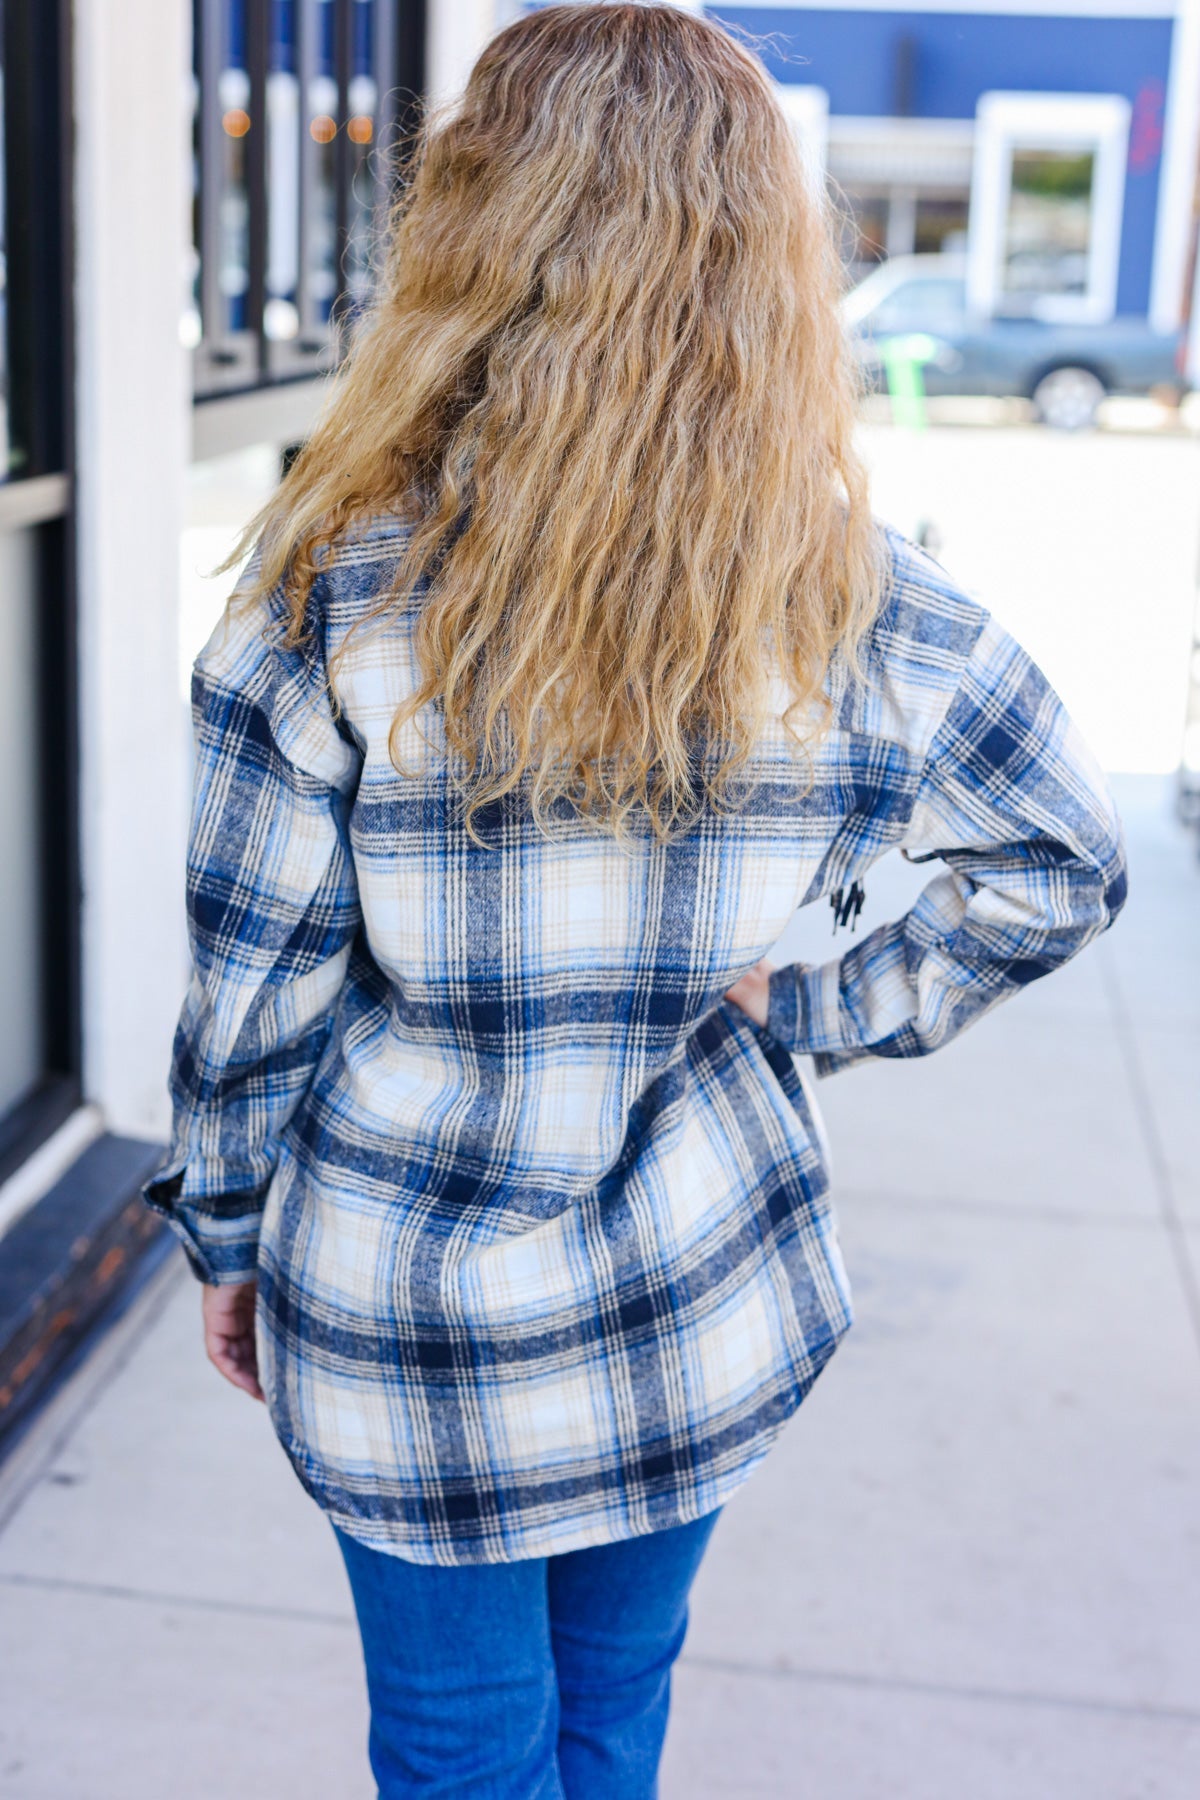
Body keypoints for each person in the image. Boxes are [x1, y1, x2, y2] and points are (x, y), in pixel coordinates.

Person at [143, 7, 1127, 1795]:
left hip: (407, 1312)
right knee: (615, 1709)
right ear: (765, 258)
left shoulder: (327, 601)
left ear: (465, 232)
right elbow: (1060, 860)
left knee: (460, 1748)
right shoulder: (865, 606)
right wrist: (817, 1005)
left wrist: (229, 1236)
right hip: (696, 1290)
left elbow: (251, 996)